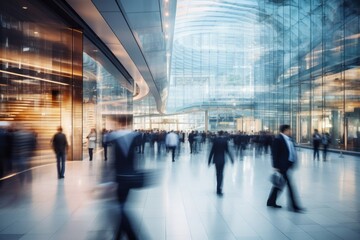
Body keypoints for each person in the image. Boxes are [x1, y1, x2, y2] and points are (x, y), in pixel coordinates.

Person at [266, 124, 304, 212]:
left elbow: (291, 151)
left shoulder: (290, 139)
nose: (291, 131)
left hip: (288, 165)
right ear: (285, 130)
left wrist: (293, 162)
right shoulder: (278, 139)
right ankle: (294, 206)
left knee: (279, 184)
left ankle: (270, 201)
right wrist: (275, 167)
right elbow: (274, 154)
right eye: (290, 130)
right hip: (282, 166)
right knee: (290, 186)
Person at [208, 130, 234, 196]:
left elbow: (212, 151)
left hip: (216, 159)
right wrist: (231, 159)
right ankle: (219, 189)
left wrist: (209, 161)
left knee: (217, 173)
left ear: (218, 134)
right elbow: (227, 151)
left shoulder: (215, 141)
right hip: (222, 160)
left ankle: (217, 188)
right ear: (222, 134)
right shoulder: (225, 141)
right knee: (221, 174)